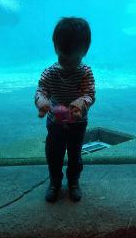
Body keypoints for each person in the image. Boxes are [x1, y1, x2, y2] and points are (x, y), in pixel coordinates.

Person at [34, 17, 96, 202]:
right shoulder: (49, 72)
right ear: (55, 49)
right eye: (63, 57)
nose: (68, 63)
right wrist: (43, 102)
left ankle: (74, 182)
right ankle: (54, 181)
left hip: (78, 123)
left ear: (84, 51)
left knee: (75, 155)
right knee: (54, 153)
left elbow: (90, 94)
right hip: (55, 123)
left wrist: (80, 103)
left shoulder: (85, 72)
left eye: (74, 59)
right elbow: (41, 90)